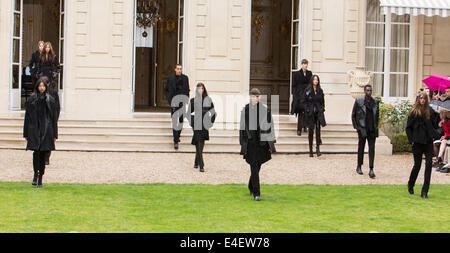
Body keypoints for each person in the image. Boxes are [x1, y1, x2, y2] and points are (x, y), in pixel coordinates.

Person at [239, 88, 276, 201]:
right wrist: (242, 143)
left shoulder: (265, 109)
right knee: (254, 166)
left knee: (257, 166)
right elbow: (242, 128)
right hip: (250, 142)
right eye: (254, 96)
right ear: (250, 97)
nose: (255, 98)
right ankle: (257, 193)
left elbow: (270, 126)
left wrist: (271, 142)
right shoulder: (245, 110)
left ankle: (251, 185)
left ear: (259, 97)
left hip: (262, 142)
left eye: (257, 96)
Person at [23, 78, 59, 188]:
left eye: (43, 86)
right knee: (36, 154)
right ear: (37, 87)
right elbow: (27, 117)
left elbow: (53, 119)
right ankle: (35, 174)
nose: (41, 88)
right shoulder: (32, 99)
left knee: (43, 155)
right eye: (40, 86)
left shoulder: (50, 100)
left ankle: (40, 178)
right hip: (34, 129)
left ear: (46, 87)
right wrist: (26, 133)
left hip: (46, 129)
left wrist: (54, 134)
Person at [406, 92, 439, 199]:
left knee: (428, 165)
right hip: (417, 143)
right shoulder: (414, 112)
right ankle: (411, 184)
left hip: (428, 142)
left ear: (427, 99)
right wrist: (411, 140)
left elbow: (435, 126)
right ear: (418, 99)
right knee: (417, 165)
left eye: (424, 98)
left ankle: (425, 191)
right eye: (421, 98)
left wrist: (438, 129)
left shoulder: (431, 111)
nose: (423, 100)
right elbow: (408, 128)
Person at [352, 84, 379, 179]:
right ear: (364, 91)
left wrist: (376, 128)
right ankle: (359, 166)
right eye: (367, 90)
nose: (369, 92)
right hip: (362, 129)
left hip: (372, 129)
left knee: (372, 149)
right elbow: (353, 115)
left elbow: (377, 116)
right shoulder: (359, 101)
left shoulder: (375, 102)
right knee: (361, 148)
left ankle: (371, 168)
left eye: (370, 90)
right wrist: (357, 128)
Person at [187, 83, 216, 172]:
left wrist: (210, 122)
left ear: (204, 89)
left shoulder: (208, 100)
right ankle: (201, 165)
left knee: (200, 144)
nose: (200, 90)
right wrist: (192, 122)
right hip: (196, 124)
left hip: (204, 124)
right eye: (199, 88)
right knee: (199, 143)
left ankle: (196, 162)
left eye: (202, 88)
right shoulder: (193, 100)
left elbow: (213, 112)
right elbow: (188, 113)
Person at [164, 64, 190, 150]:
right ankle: (175, 141)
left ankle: (178, 135)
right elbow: (166, 90)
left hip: (182, 102)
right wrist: (170, 100)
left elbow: (187, 89)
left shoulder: (185, 78)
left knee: (181, 121)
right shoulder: (170, 78)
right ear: (175, 69)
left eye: (180, 69)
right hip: (174, 102)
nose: (179, 70)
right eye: (178, 69)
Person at [304, 75, 326, 157]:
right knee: (311, 131)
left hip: (318, 113)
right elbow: (304, 101)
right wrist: (307, 109)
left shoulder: (320, 90)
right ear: (312, 80)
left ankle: (317, 149)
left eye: (317, 79)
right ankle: (310, 150)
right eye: (314, 79)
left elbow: (323, 101)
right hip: (310, 113)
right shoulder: (308, 90)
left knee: (318, 131)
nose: (316, 81)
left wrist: (322, 109)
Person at [291, 59, 312, 136]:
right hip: (299, 95)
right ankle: (299, 129)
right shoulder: (296, 74)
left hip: (307, 95)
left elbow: (310, 84)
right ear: (301, 65)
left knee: (306, 111)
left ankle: (305, 126)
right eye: (304, 64)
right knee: (300, 113)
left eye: (306, 64)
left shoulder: (309, 73)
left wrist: (310, 93)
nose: (305, 65)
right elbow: (294, 85)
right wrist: (294, 95)